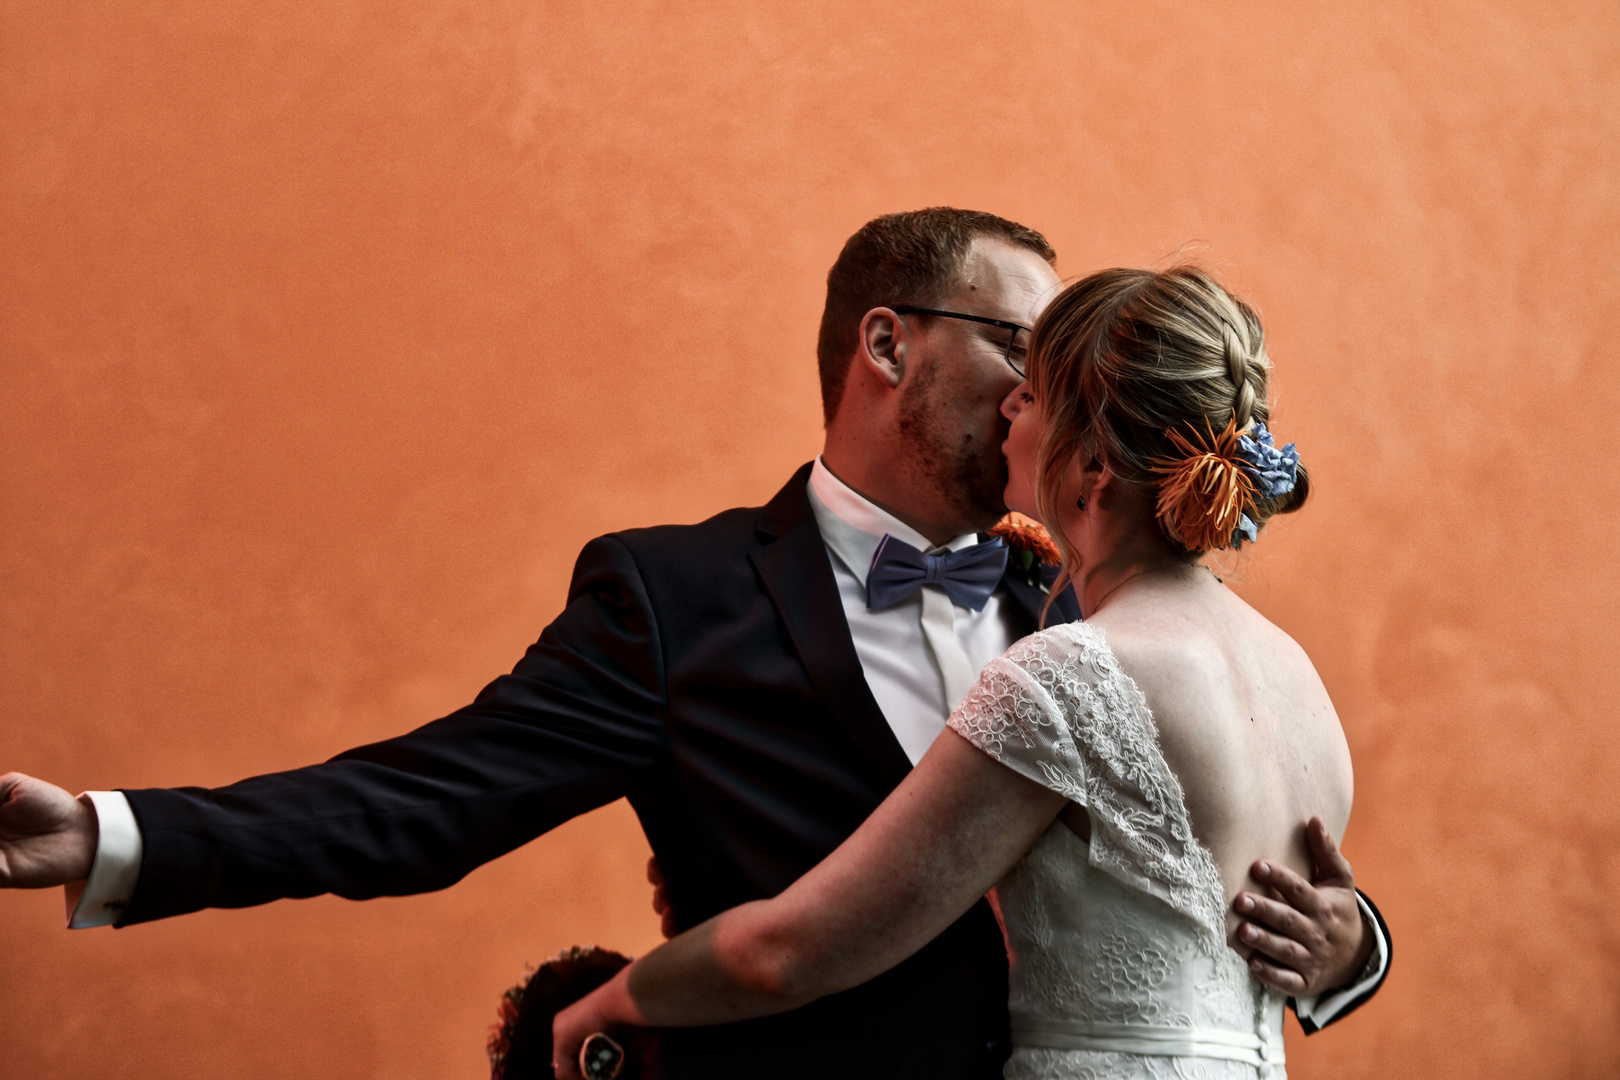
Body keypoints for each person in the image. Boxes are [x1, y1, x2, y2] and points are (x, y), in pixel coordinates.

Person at [0, 210, 1386, 1080]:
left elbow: (1227, 868)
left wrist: (1352, 948)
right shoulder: (677, 599)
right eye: (1015, 346)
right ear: (887, 344)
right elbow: (427, 801)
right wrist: (115, 833)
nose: (1036, 393)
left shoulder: (1086, 610)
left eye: (1053, 376)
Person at [551, 263, 1385, 1079]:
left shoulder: (1073, 673)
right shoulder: (1296, 675)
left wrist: (614, 1001)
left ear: (1093, 467)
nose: (1010, 402)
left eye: (1036, 390)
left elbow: (794, 951)